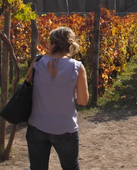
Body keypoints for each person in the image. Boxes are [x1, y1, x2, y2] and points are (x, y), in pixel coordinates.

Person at [25, 27, 89, 170]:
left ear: (52, 44)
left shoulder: (38, 61)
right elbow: (83, 101)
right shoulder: (77, 67)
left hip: (37, 126)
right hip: (65, 129)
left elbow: (25, 85)